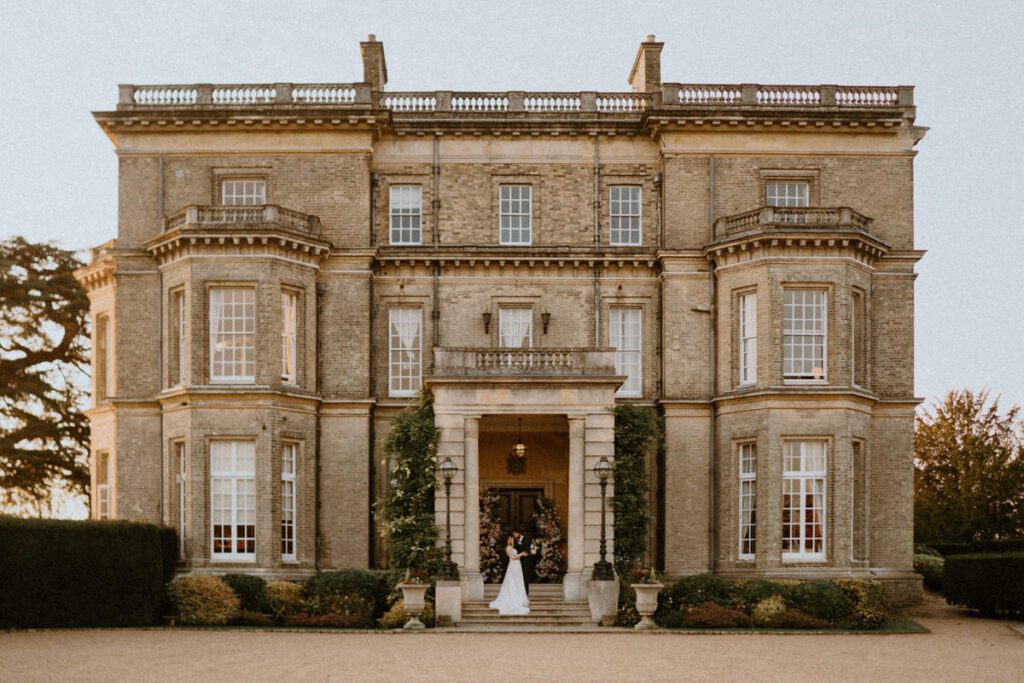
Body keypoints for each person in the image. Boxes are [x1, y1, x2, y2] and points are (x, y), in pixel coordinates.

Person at [488, 535, 530, 615]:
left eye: (512, 538)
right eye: (510, 538)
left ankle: (520, 597)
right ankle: (514, 597)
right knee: (512, 581)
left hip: (517, 565)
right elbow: (513, 557)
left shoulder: (513, 547)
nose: (512, 540)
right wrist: (521, 554)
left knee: (518, 581)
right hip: (513, 565)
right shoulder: (508, 548)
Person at [513, 528, 535, 595]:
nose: (514, 535)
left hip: (525, 562)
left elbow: (527, 552)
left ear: (519, 533)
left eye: (515, 534)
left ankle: (525, 594)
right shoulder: (516, 540)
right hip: (518, 562)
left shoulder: (526, 539)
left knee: (524, 577)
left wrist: (519, 555)